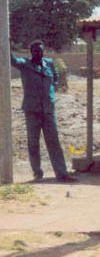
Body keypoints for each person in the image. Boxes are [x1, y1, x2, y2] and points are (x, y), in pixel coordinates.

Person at [10, 40, 78, 183]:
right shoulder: (24, 64)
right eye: (35, 51)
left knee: (54, 142)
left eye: (41, 51)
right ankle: (37, 173)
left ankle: (62, 174)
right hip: (32, 110)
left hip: (48, 110)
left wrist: (51, 93)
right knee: (33, 143)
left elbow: (55, 77)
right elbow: (12, 60)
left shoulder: (49, 63)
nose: (38, 54)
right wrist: (6, 43)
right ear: (31, 52)